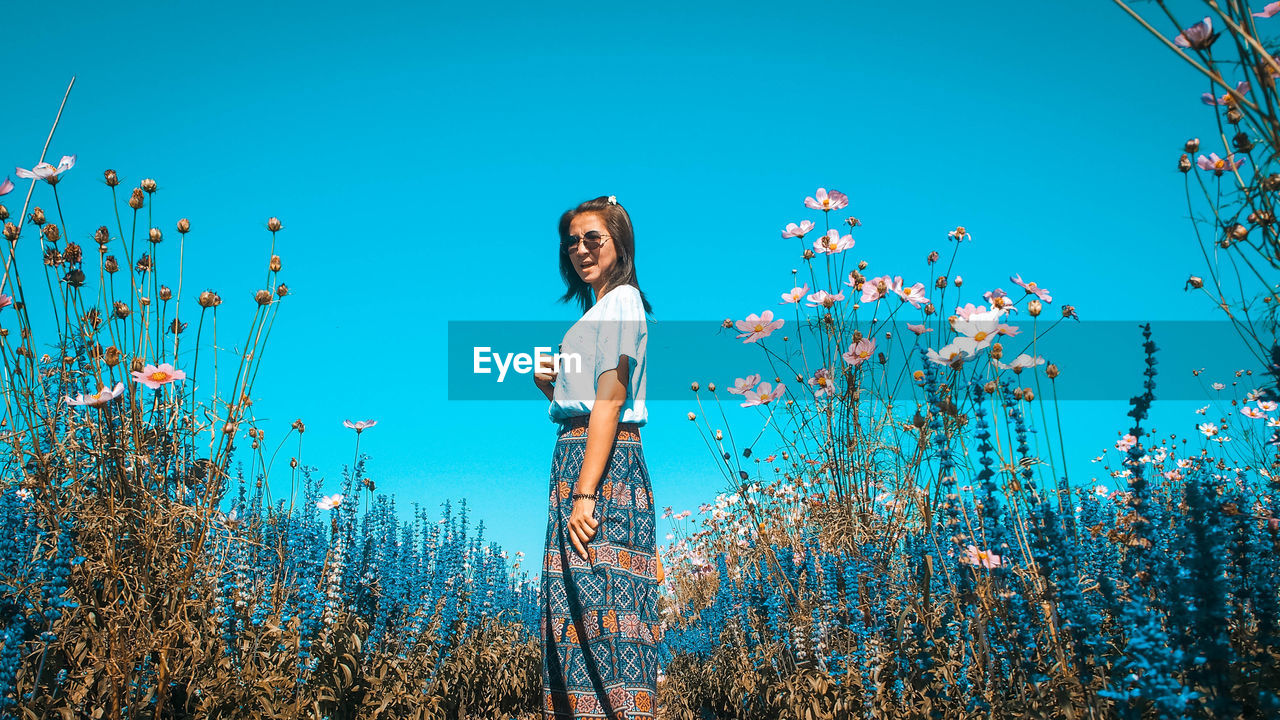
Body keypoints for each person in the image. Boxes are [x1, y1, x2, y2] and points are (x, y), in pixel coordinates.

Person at [534, 195, 660, 719]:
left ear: (619, 244)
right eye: (572, 241)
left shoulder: (623, 301)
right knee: (575, 615)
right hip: (577, 458)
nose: (580, 249)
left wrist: (586, 491)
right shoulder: (597, 312)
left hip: (601, 470)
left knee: (607, 617)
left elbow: (611, 400)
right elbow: (587, 403)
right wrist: (552, 384)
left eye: (593, 238)